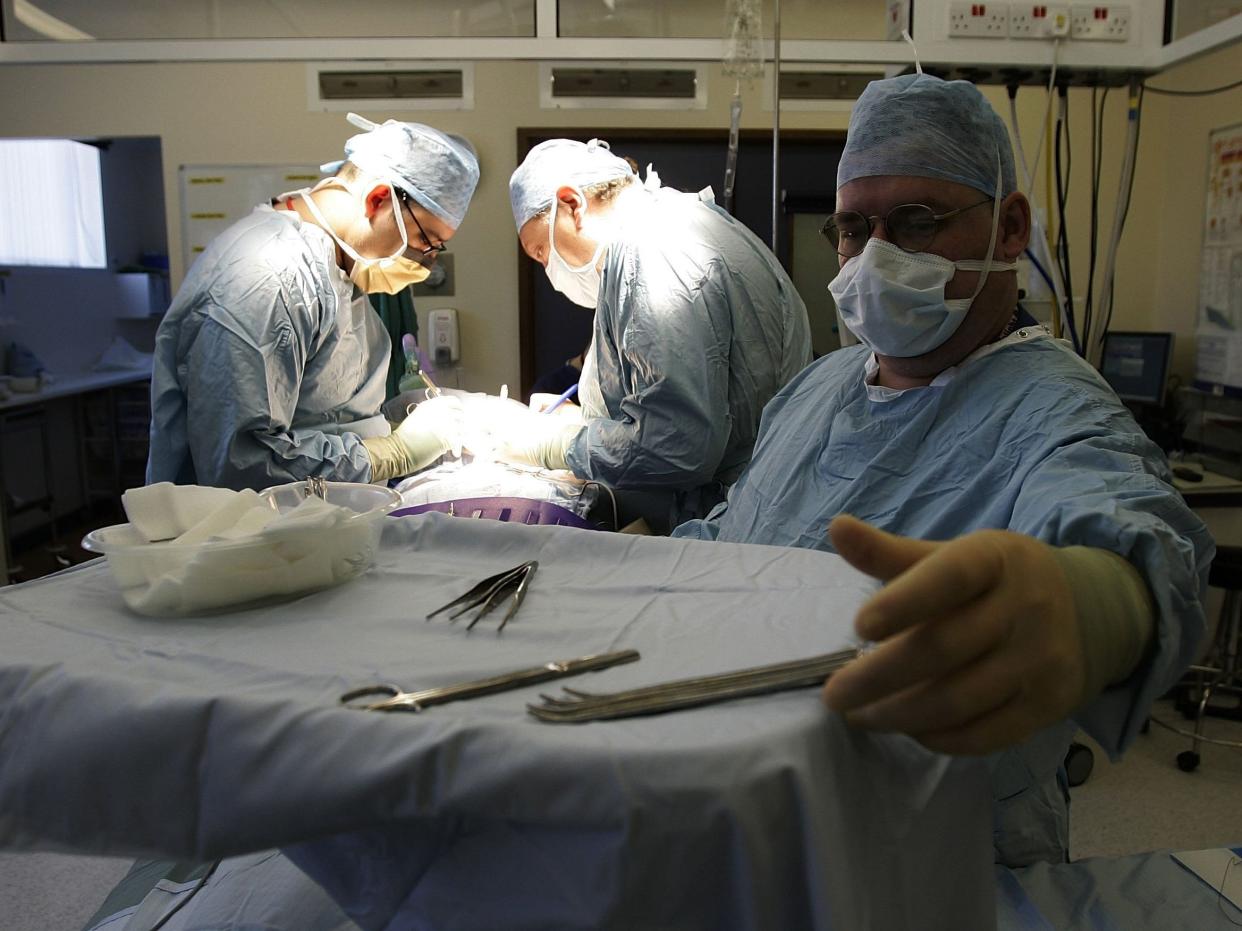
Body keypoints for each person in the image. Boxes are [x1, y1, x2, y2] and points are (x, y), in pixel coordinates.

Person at [673, 74, 1213, 867]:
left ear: (1009, 228)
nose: (877, 254)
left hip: (924, 849)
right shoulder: (822, 384)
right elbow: (745, 520)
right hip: (740, 798)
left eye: (918, 221)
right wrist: (644, 558)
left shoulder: (1054, 410)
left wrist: (1089, 603)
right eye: (854, 228)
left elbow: (1139, 535)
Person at [147, 114, 479, 490]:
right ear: (378, 199)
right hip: (252, 537)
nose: (426, 260)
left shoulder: (336, 269)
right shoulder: (269, 276)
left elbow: (329, 416)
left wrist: (405, 415)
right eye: (427, 240)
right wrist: (392, 451)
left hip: (316, 529)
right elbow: (242, 464)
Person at [499, 139, 813, 532]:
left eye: (541, 249)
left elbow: (678, 445)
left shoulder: (651, 251)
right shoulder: (674, 225)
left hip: (726, 525)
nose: (548, 267)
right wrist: (586, 424)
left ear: (572, 204)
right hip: (741, 507)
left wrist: (561, 445)